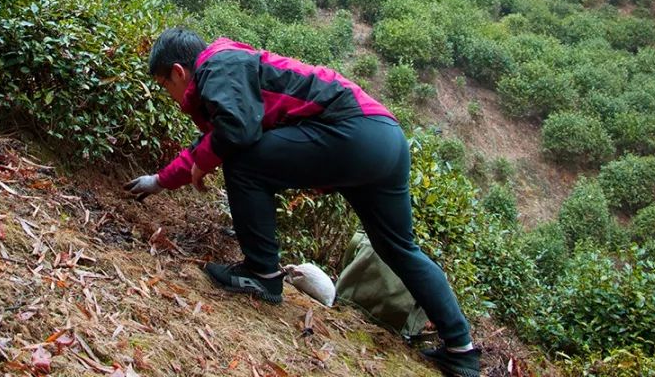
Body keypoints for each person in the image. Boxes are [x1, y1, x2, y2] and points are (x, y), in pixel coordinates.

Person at [124, 28, 481, 377]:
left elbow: (236, 133)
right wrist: (159, 181)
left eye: (165, 85)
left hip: (352, 132)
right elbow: (223, 134)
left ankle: (261, 274)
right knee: (399, 247)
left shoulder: (217, 65)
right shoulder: (233, 68)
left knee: (243, 161)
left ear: (178, 72)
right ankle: (461, 351)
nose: (170, 94)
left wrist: (202, 163)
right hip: (386, 138)